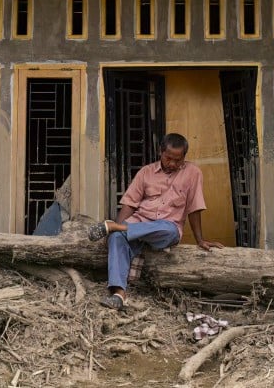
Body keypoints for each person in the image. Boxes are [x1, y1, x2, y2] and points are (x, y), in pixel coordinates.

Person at [88, 132, 223, 309]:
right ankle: (119, 294)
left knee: (170, 231)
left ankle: (115, 227)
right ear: (160, 152)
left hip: (165, 229)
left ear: (184, 157)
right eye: (168, 158)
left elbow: (194, 207)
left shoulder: (193, 173)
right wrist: (117, 231)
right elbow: (129, 203)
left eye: (178, 160)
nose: (173, 163)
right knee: (116, 238)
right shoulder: (146, 172)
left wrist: (200, 239)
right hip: (138, 222)